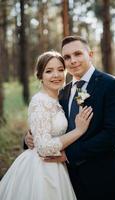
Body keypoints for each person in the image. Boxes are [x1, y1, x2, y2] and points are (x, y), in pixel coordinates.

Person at [25, 36, 115, 200]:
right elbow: (52, 126)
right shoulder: (63, 91)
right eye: (67, 57)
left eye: (77, 54)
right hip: (67, 179)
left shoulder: (111, 85)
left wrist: (69, 155)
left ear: (90, 54)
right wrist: (30, 139)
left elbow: (114, 134)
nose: (72, 61)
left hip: (102, 178)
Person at [0, 51, 93, 200]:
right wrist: (78, 131)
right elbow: (43, 147)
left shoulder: (61, 97)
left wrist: (30, 135)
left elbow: (44, 129)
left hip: (59, 166)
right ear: (40, 76)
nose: (56, 75)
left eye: (60, 70)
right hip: (41, 169)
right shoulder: (40, 102)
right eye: (49, 71)